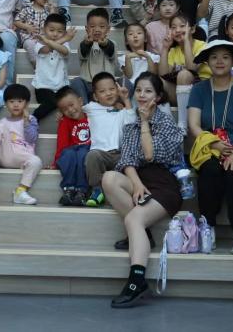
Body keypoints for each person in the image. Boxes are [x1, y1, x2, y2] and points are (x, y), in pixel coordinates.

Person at [103, 72, 185, 308]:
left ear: (158, 97)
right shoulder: (131, 125)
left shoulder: (166, 123)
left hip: (164, 185)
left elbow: (150, 155)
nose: (141, 95)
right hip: (141, 180)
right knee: (109, 178)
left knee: (134, 220)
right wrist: (137, 184)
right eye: (138, 90)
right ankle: (143, 234)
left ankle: (136, 282)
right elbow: (127, 160)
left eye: (148, 91)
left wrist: (146, 123)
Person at [186, 40, 233, 254]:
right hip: (210, 149)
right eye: (214, 57)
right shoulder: (199, 89)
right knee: (209, 170)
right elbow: (194, 125)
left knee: (231, 171)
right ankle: (208, 227)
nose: (219, 61)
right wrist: (214, 143)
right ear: (207, 61)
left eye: (225, 57)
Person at [83, 72, 135, 207]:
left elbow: (132, 122)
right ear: (95, 96)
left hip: (121, 153)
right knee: (92, 156)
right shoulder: (91, 107)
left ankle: (123, 192)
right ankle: (97, 190)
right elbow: (77, 86)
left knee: (133, 162)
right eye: (102, 91)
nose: (108, 93)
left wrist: (125, 100)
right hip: (101, 153)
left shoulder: (123, 110)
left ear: (117, 90)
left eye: (112, 89)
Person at [0, 84, 42, 205]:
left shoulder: (31, 119)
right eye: (11, 102)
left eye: (20, 101)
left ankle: (20, 191)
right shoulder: (3, 122)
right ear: (6, 104)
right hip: (7, 156)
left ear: (26, 104)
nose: (16, 105)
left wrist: (26, 122)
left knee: (37, 161)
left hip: (24, 157)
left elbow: (31, 139)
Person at [158, 13, 209, 131]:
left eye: (182, 26)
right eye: (173, 27)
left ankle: (183, 124)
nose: (177, 30)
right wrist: (165, 48)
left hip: (204, 91)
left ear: (193, 29)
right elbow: (163, 75)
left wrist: (186, 41)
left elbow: (191, 68)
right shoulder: (173, 50)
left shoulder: (203, 46)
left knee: (184, 74)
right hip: (182, 92)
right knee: (158, 82)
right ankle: (167, 122)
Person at [28, 13, 75, 123]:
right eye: (51, 30)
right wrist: (65, 38)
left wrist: (63, 40)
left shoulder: (65, 45)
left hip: (61, 86)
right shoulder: (39, 44)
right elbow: (46, 50)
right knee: (53, 101)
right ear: (44, 29)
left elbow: (65, 51)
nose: (55, 34)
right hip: (42, 87)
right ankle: (33, 119)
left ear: (64, 32)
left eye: (60, 31)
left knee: (73, 98)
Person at [54, 86, 92, 206]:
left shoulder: (92, 115)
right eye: (65, 109)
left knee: (82, 153)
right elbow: (62, 144)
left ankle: (81, 190)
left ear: (80, 101)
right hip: (72, 153)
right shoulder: (65, 121)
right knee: (68, 153)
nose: (70, 110)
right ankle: (69, 189)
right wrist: (56, 162)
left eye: (71, 105)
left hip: (87, 151)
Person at [70, 8, 117, 103]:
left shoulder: (112, 43)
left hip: (106, 87)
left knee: (124, 82)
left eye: (102, 26)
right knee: (76, 82)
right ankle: (85, 106)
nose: (97, 30)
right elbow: (83, 52)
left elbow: (110, 51)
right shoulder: (82, 44)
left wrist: (104, 44)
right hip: (88, 85)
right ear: (86, 29)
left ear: (108, 29)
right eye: (92, 26)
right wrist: (87, 43)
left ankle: (116, 103)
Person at [118, 23, 158, 94]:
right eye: (131, 34)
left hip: (148, 88)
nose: (135, 36)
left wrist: (148, 57)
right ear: (126, 41)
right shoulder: (123, 58)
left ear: (145, 39)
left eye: (139, 33)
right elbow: (129, 76)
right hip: (130, 89)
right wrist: (128, 58)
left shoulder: (154, 57)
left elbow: (152, 74)